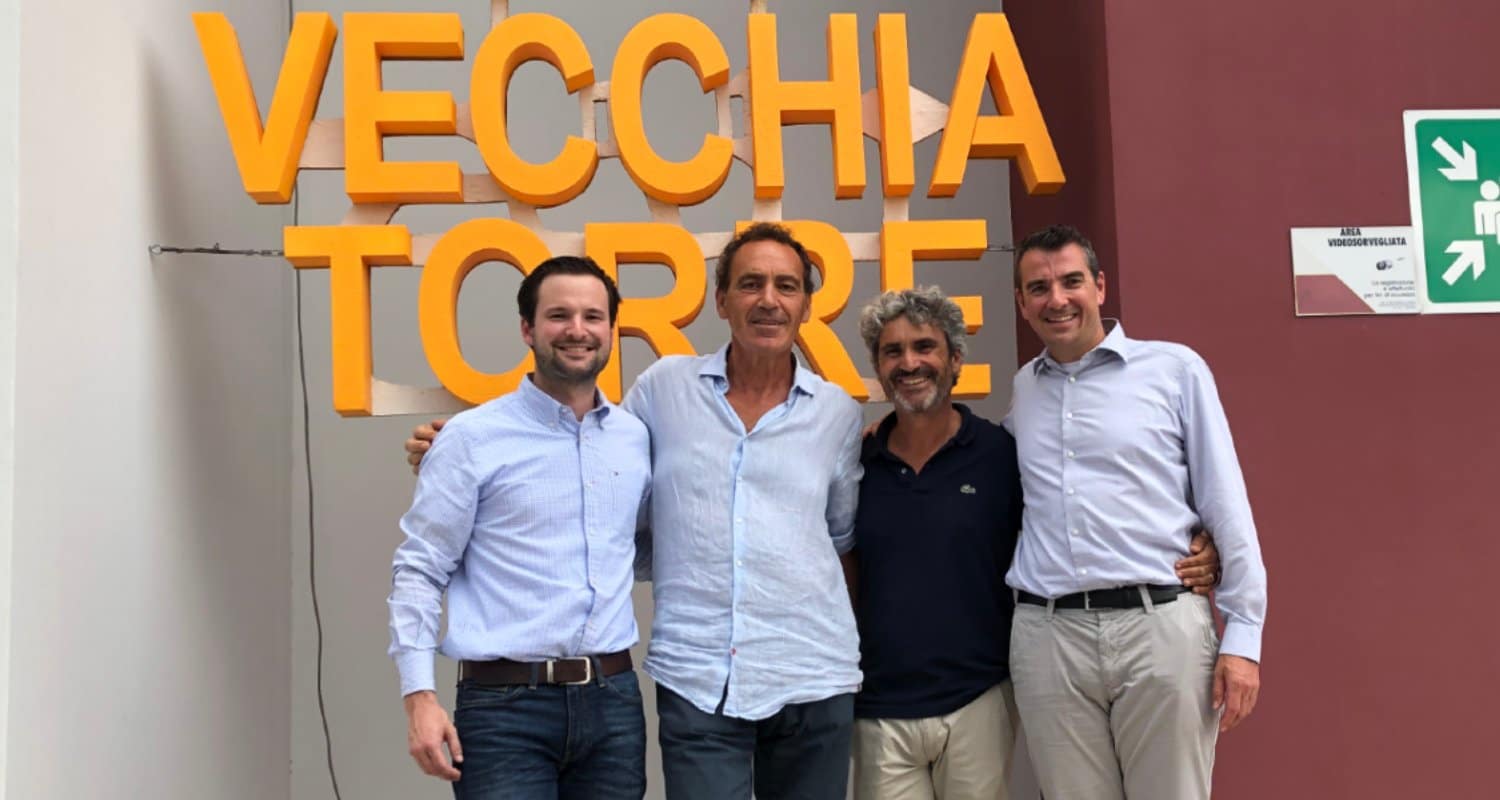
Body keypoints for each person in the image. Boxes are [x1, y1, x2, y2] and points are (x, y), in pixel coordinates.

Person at [408, 223, 863, 800]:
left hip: (813, 676)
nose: (768, 300)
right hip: (696, 678)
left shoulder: (838, 415)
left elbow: (839, 539)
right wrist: (454, 449)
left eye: (786, 286)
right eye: (750, 284)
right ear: (721, 300)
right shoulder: (664, 390)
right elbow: (592, 460)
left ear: (806, 305)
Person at [849, 287, 1220, 800]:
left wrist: (1197, 542)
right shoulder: (855, 463)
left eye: (925, 347)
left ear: (955, 360)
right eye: (893, 351)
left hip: (978, 695)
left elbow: (1081, 508)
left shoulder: (1001, 453)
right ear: (877, 366)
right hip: (878, 704)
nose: (909, 363)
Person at [1005, 224, 1267, 800]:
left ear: (1099, 286)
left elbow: (1226, 503)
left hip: (1159, 628)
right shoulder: (1025, 390)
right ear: (1022, 303)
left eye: (1071, 281)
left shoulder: (1174, 370)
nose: (1057, 299)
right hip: (1049, 638)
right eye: (1039, 288)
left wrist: (1243, 637)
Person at [388, 256, 651, 799]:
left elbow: (639, 549)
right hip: (504, 711)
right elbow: (420, 570)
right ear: (528, 329)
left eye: (593, 316)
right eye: (559, 315)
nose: (577, 330)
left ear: (611, 329)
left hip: (614, 705)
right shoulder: (471, 438)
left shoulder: (635, 438)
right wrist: (419, 696)